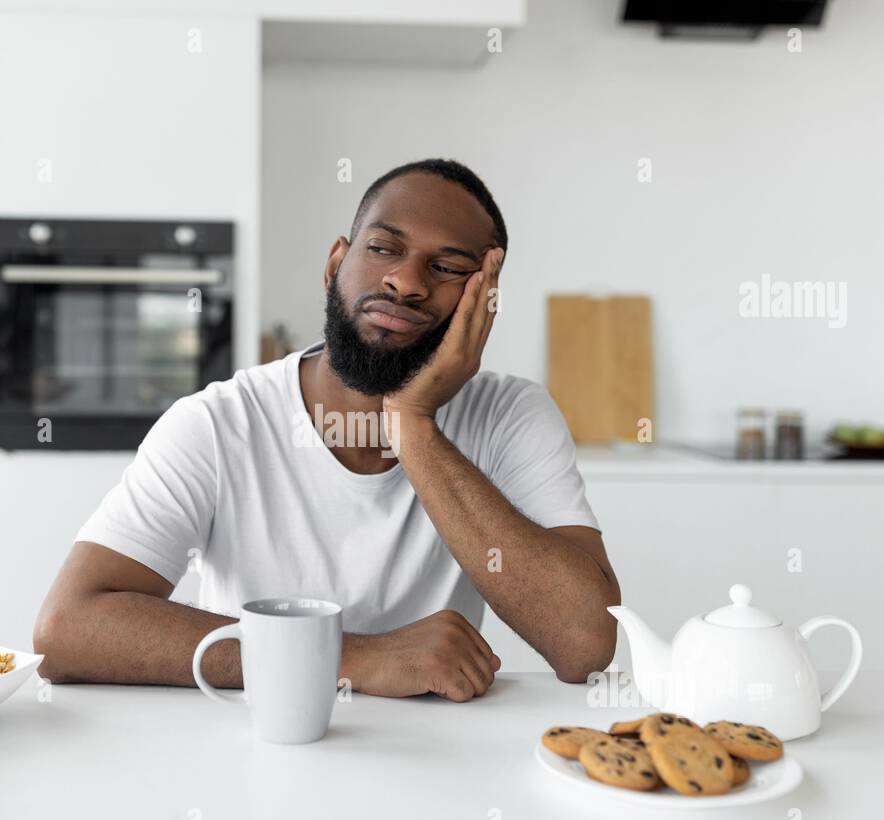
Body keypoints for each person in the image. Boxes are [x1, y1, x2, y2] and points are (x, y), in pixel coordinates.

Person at [34, 158, 619, 701]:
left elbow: (584, 645)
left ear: (483, 298)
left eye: (445, 268)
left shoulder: (510, 416)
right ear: (336, 263)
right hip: (254, 747)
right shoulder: (217, 423)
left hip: (435, 770)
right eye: (385, 248)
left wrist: (412, 424)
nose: (406, 282)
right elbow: (67, 630)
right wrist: (351, 658)